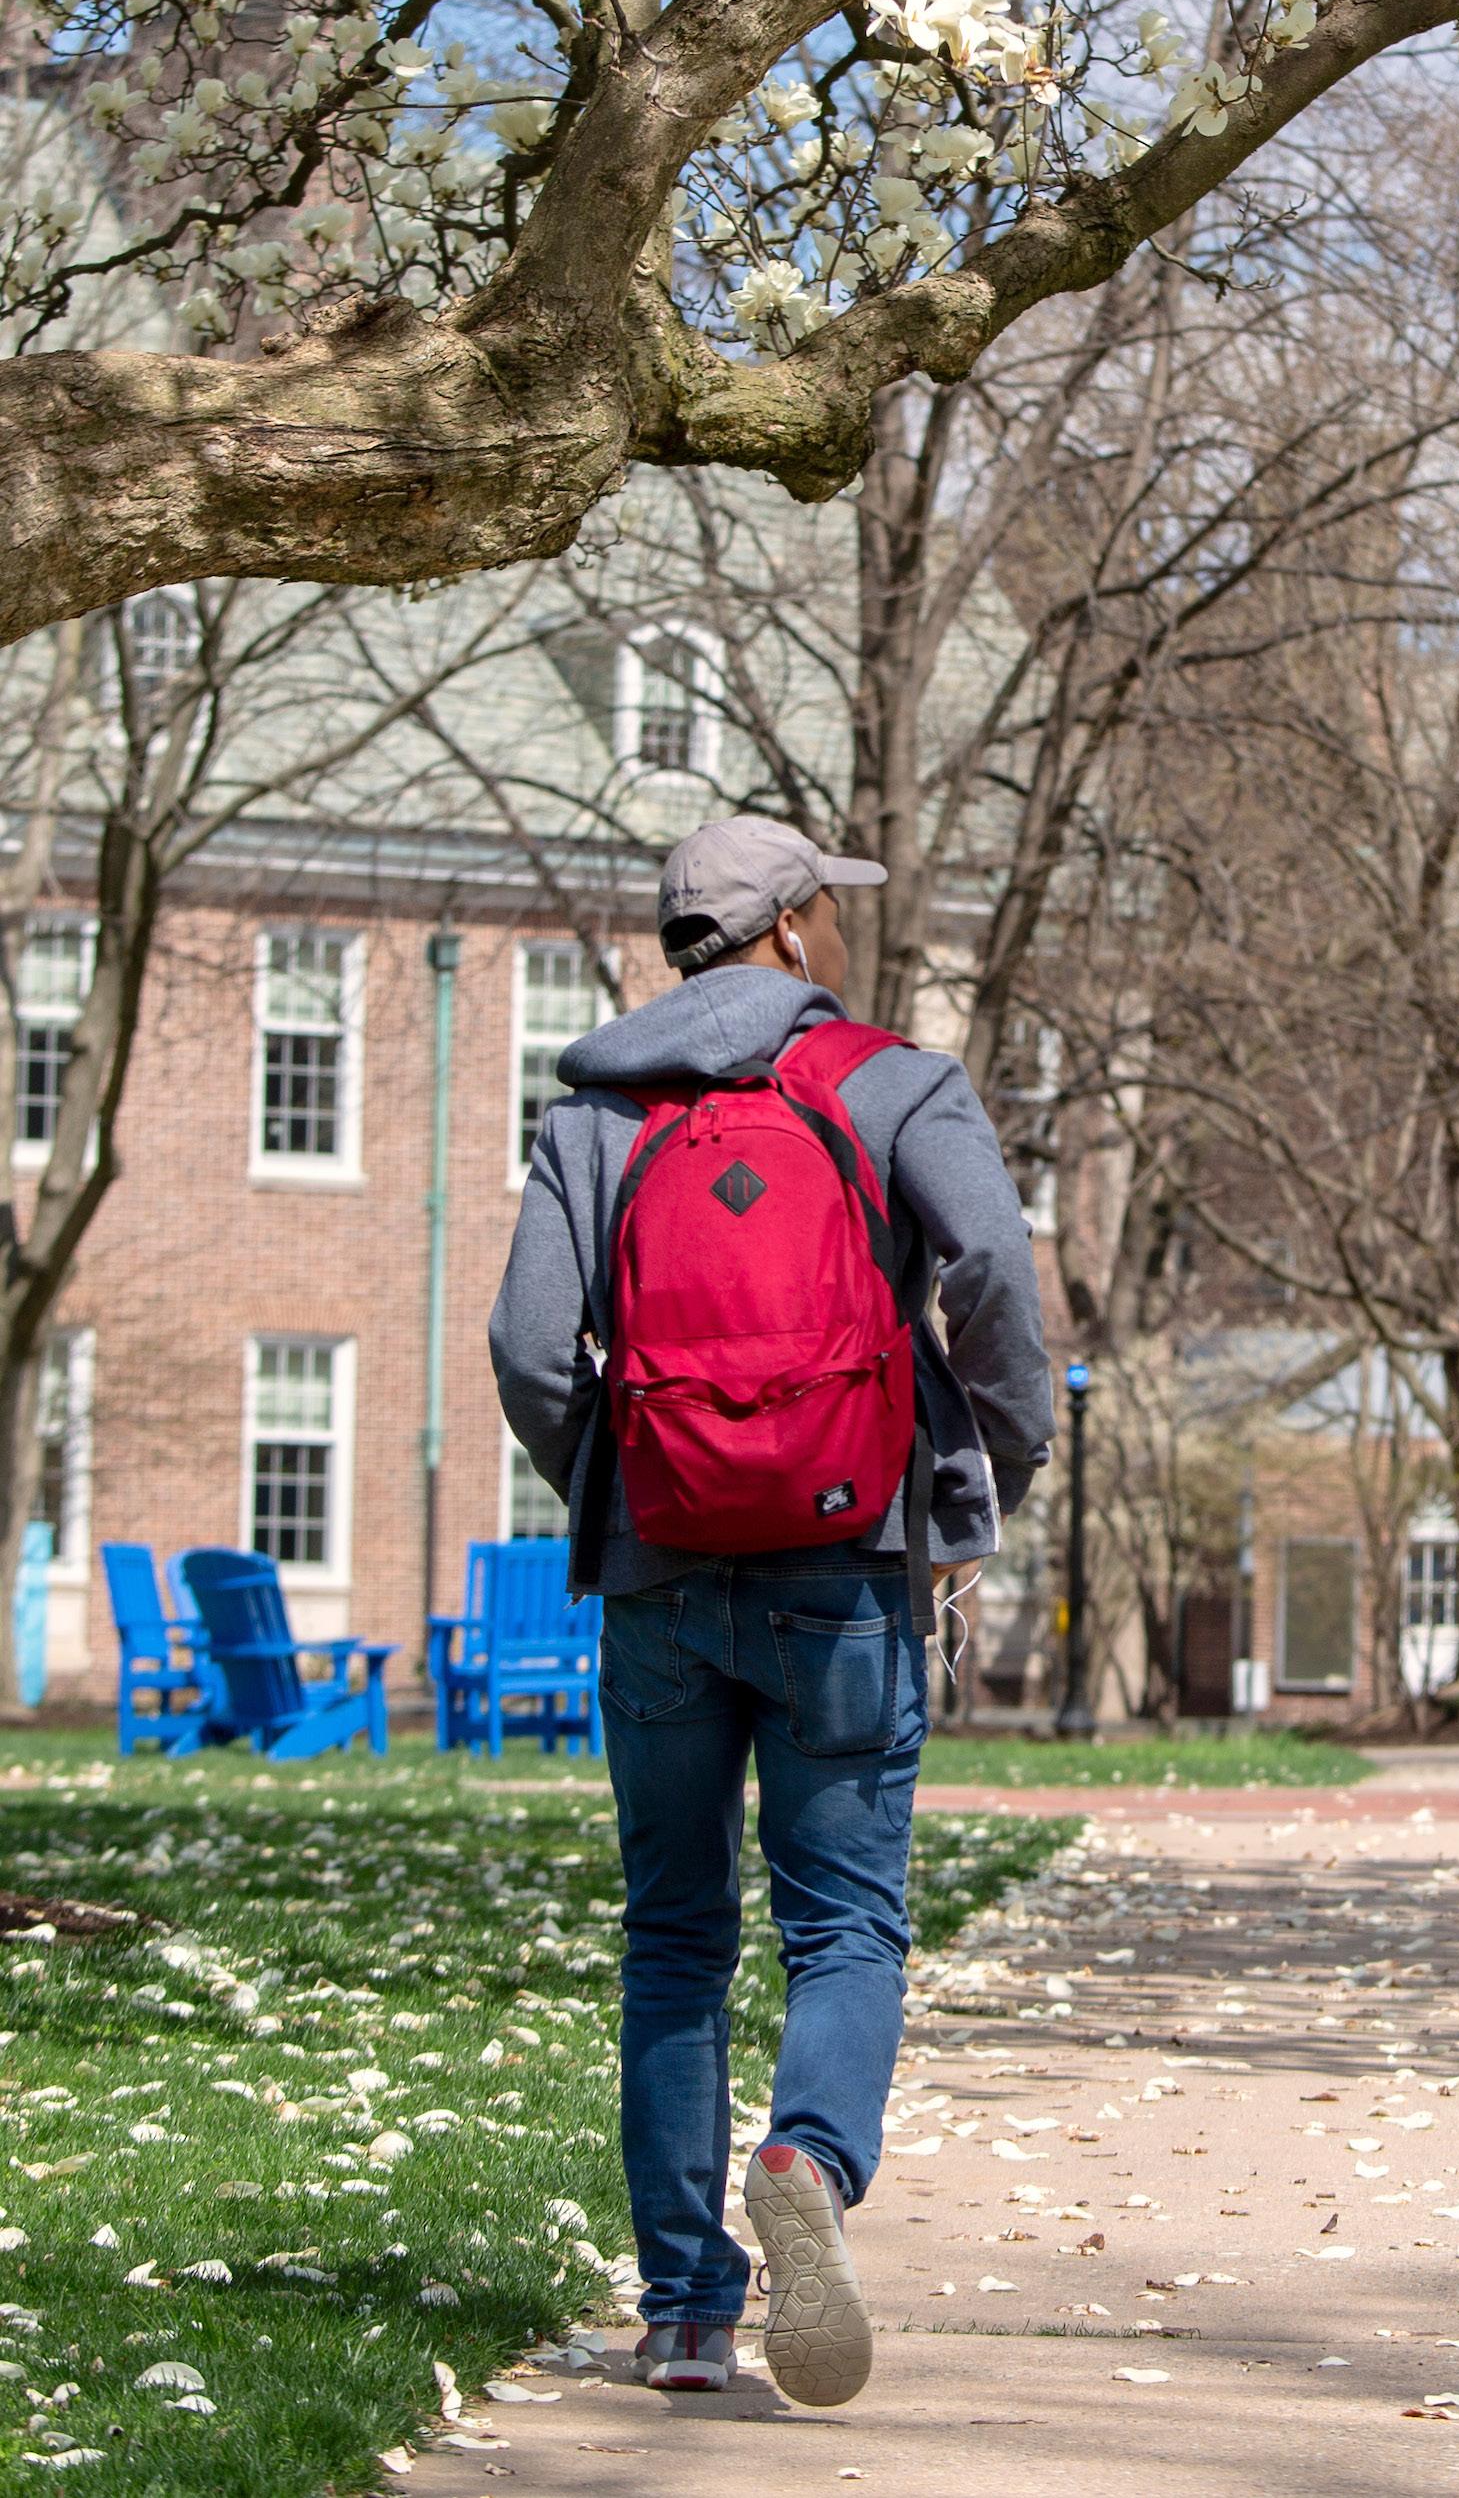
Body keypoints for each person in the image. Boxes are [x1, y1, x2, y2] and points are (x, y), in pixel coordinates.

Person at [490, 816, 1054, 2406]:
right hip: (849, 1567)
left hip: (659, 1578)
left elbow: (533, 1350)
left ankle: (682, 2314)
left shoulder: (594, 1111)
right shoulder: (891, 1084)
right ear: (797, 930)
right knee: (847, 1922)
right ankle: (805, 2153)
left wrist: (623, 1478)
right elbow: (996, 1270)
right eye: (830, 911)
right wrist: (985, 1457)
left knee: (674, 1938)